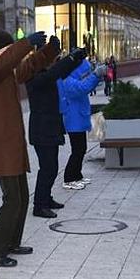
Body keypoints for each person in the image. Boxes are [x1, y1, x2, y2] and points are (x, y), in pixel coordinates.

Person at [0, 28, 53, 267]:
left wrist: (50, 51)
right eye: (8, 50)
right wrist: (25, 43)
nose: (11, 54)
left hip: (13, 143)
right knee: (12, 200)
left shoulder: (4, 69)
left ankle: (11, 242)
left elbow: (26, 69)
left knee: (22, 198)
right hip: (2, 145)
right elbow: (0, 69)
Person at [27, 42, 88, 217]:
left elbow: (60, 72)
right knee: (47, 167)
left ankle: (46, 198)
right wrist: (71, 58)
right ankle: (39, 205)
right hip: (42, 128)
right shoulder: (34, 77)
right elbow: (55, 72)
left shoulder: (45, 74)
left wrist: (76, 60)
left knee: (52, 166)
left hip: (49, 127)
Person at [59, 56, 104, 190]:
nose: (85, 74)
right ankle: (69, 178)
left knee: (81, 149)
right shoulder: (68, 82)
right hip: (74, 121)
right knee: (77, 150)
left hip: (78, 119)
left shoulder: (72, 79)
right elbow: (84, 87)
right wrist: (95, 75)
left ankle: (77, 175)